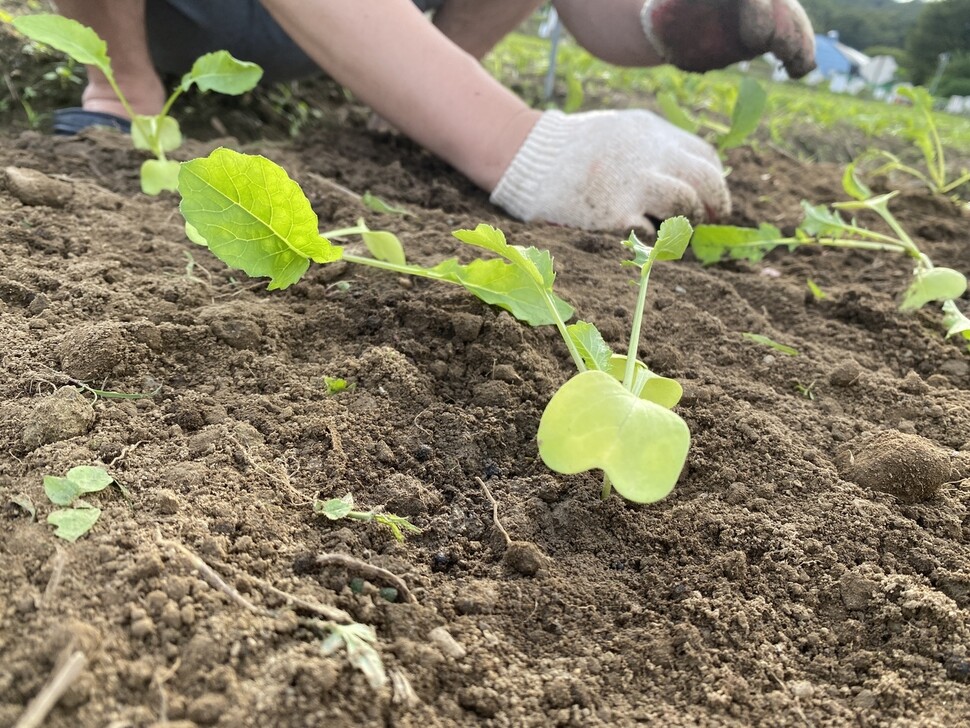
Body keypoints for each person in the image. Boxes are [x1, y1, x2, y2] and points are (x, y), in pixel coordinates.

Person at [51, 0, 815, 232]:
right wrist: (526, 148)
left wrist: (659, 22)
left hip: (370, 28)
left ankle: (426, 94)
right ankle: (121, 90)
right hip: (184, 18)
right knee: (129, 82)